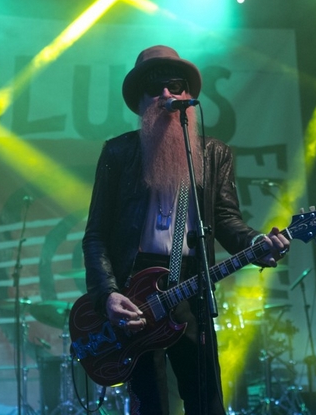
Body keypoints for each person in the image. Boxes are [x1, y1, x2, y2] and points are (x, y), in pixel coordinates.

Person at [81, 45, 290, 415]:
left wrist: (259, 242)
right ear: (141, 101)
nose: (166, 94)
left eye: (175, 85)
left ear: (188, 95)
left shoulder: (213, 154)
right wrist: (108, 295)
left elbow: (226, 219)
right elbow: (95, 234)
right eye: (154, 86)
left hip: (192, 285)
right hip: (135, 291)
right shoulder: (118, 153)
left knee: (206, 400)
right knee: (151, 404)